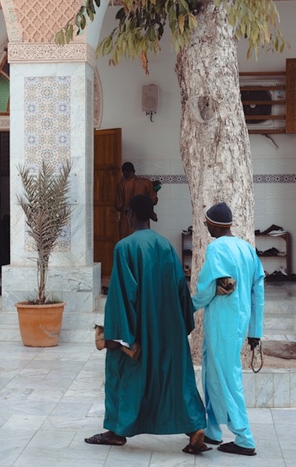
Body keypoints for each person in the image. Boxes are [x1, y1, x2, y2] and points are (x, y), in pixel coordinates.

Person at [85, 194, 208, 454]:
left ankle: (117, 431)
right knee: (173, 379)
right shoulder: (166, 246)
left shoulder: (124, 247)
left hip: (138, 330)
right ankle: (194, 427)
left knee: (122, 372)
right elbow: (181, 287)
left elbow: (122, 294)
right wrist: (181, 324)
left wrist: (118, 335)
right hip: (168, 328)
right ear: (150, 215)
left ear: (130, 214)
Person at [192, 202, 265, 457]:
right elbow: (258, 290)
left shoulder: (217, 248)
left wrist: (188, 307)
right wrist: (255, 331)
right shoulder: (247, 249)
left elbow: (207, 289)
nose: (205, 226)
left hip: (222, 322)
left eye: (206, 223)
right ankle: (212, 429)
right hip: (239, 321)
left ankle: (244, 437)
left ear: (215, 224)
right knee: (212, 374)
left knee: (227, 377)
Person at [114, 162, 158, 240]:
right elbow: (154, 200)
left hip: (127, 222)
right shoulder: (146, 182)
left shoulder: (121, 185)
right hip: (143, 220)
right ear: (134, 171)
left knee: (127, 243)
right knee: (143, 242)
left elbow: (119, 205)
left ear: (124, 172)